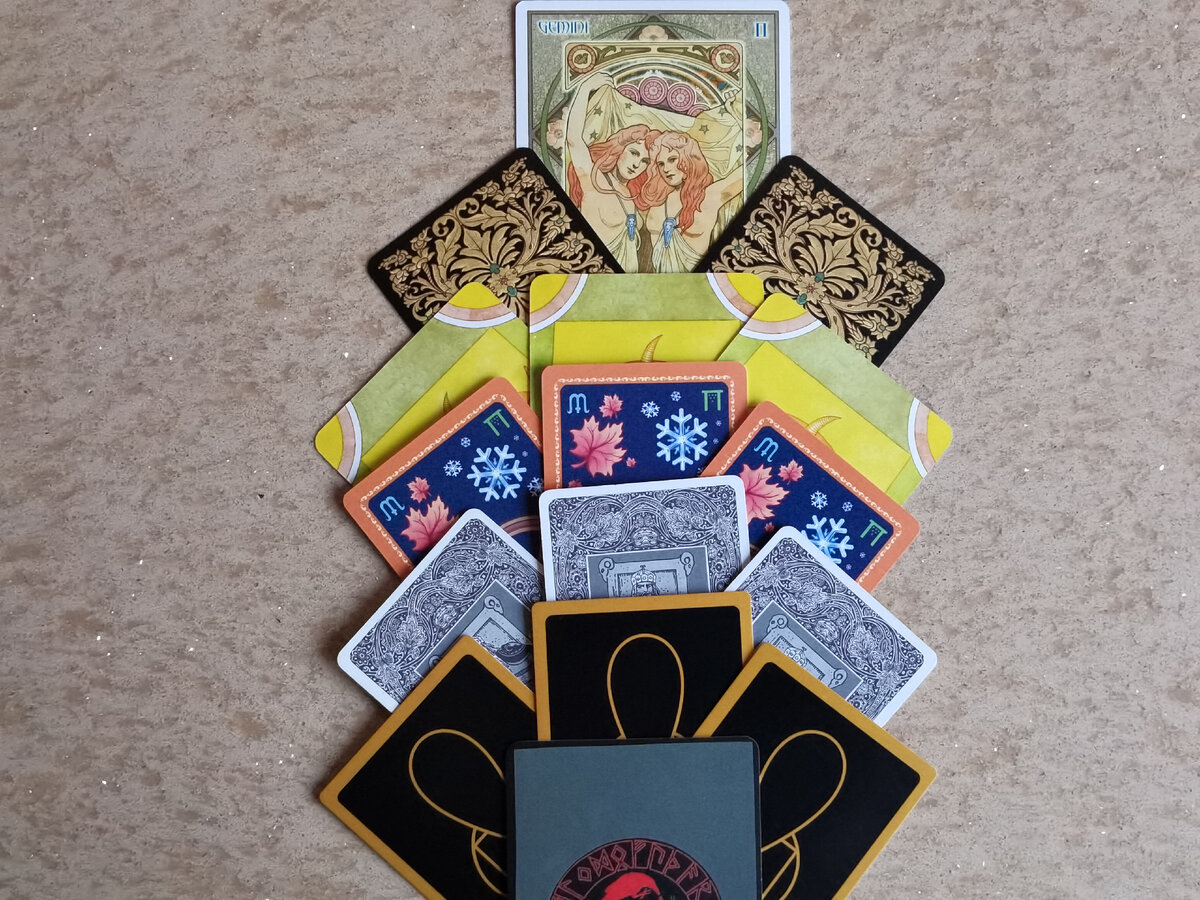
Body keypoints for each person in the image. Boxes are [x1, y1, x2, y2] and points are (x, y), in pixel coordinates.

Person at [565, 70, 659, 271]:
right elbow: (573, 139)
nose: (637, 164)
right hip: (596, 275)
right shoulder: (596, 180)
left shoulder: (631, 193)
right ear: (619, 149)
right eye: (633, 153)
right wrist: (584, 88)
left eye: (644, 161)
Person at [637, 131, 744, 273]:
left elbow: (744, 174)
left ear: (687, 158)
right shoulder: (656, 207)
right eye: (661, 164)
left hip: (700, 281)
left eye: (672, 159)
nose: (666, 169)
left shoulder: (707, 197)